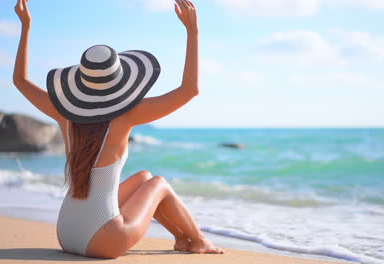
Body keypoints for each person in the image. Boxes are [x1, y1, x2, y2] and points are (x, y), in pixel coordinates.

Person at [13, 0, 225, 259]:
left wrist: (26, 27)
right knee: (159, 184)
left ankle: (182, 237)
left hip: (67, 234)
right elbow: (189, 90)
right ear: (121, 82)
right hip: (104, 240)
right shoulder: (126, 116)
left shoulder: (63, 114)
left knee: (145, 178)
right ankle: (200, 240)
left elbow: (20, 81)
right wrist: (193, 33)